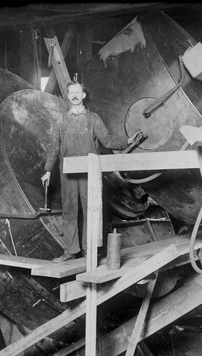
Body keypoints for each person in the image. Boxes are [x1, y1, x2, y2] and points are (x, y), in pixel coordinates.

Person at [41, 81, 142, 263]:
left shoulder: (93, 118)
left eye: (77, 92)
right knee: (69, 211)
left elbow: (108, 140)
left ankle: (89, 250)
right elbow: (53, 146)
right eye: (71, 92)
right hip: (68, 171)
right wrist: (48, 170)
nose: (74, 95)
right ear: (67, 96)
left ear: (83, 95)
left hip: (90, 170)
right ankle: (71, 251)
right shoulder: (61, 119)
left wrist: (128, 141)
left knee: (91, 210)